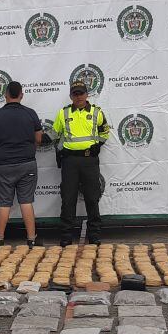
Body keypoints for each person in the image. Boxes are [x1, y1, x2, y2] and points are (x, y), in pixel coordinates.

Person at [0, 81, 43, 248]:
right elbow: (38, 138)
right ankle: (32, 239)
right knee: (26, 201)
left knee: (4, 203)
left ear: (5, 94)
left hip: (4, 165)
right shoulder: (30, 113)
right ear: (21, 95)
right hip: (27, 163)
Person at [54, 80, 110, 245]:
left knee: (92, 198)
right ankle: (66, 236)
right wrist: (41, 139)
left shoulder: (96, 112)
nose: (78, 97)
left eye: (81, 93)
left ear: (87, 94)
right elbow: (54, 133)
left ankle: (94, 235)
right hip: (70, 161)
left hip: (89, 160)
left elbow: (105, 130)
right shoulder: (63, 113)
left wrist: (98, 144)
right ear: (71, 96)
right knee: (68, 199)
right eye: (75, 94)